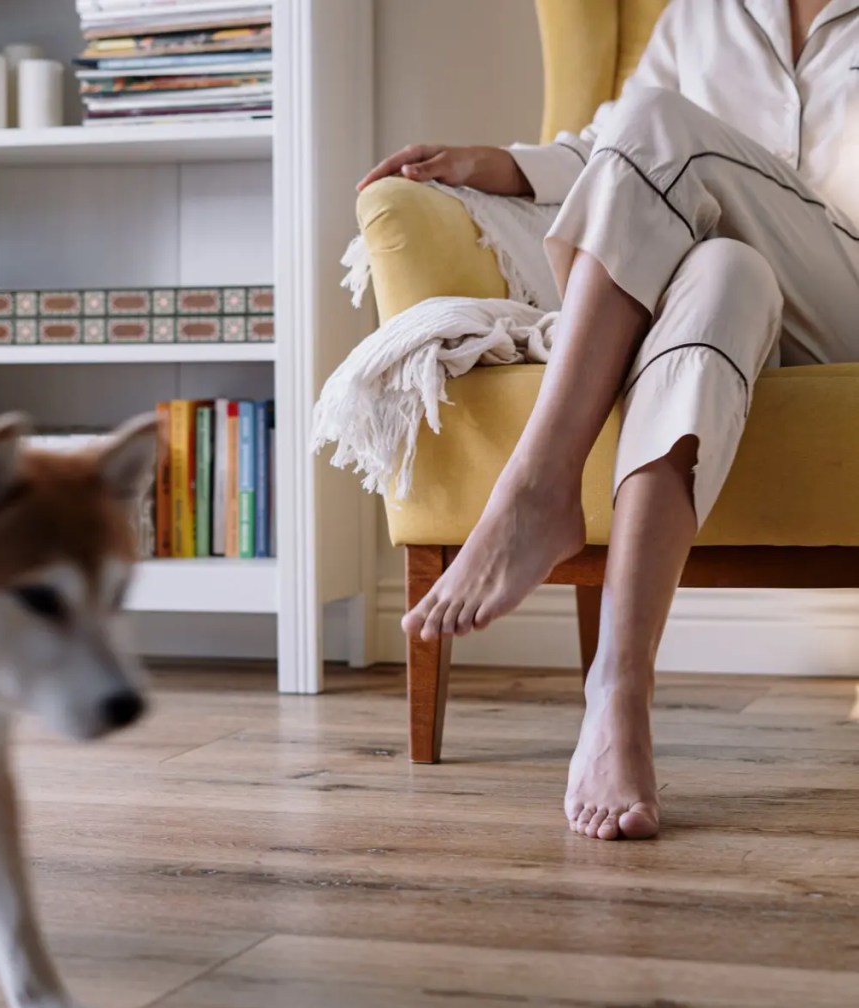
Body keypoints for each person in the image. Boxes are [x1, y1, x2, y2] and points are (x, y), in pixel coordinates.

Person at [357, 0, 859, 840]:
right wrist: (500, 164)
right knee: (721, 273)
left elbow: (658, 137)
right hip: (750, 291)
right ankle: (618, 696)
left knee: (662, 126)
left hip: (847, 294)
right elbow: (615, 153)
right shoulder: (706, 12)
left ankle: (537, 483)